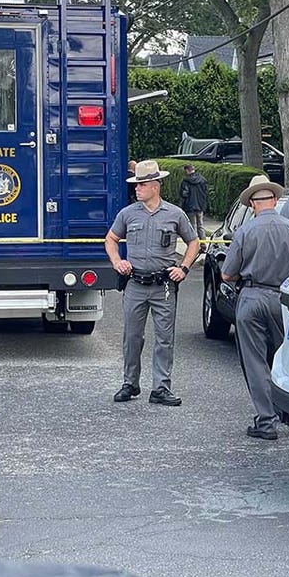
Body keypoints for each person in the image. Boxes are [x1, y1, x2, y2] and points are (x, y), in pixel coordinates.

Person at [105, 160, 200, 407]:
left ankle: (161, 388)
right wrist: (117, 262)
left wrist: (184, 268)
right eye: (136, 184)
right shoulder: (128, 213)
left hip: (163, 285)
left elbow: (194, 242)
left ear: (155, 186)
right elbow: (111, 239)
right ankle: (130, 383)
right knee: (132, 337)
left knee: (164, 338)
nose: (137, 189)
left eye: (142, 184)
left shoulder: (174, 214)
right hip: (135, 284)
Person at [221, 175, 289, 440]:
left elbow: (227, 274)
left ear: (252, 204)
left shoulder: (245, 231)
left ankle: (267, 421)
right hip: (284, 299)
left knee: (255, 361)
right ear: (273, 199)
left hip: (252, 296)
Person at [178, 164, 208, 241]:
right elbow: (205, 192)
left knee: (192, 226)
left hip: (190, 206)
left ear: (187, 170)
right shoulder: (202, 180)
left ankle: (195, 245)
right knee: (200, 226)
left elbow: (184, 194)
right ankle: (203, 243)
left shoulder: (186, 181)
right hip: (200, 206)